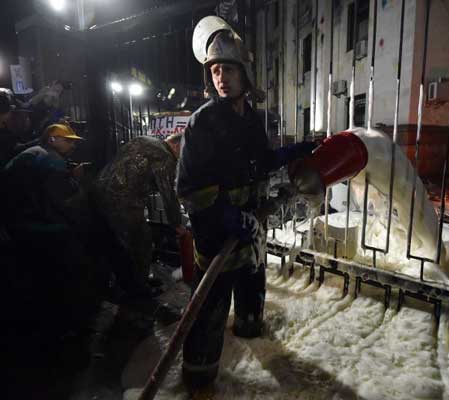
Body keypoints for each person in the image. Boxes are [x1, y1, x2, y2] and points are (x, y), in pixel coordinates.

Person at [176, 16, 316, 393]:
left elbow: (261, 162)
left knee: (252, 289)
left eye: (229, 70)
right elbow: (188, 187)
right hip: (218, 234)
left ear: (245, 75)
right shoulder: (201, 124)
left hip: (252, 230)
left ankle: (251, 328)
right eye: (216, 71)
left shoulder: (252, 121)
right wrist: (225, 215)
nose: (222, 77)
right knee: (209, 306)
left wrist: (295, 151)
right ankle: (199, 376)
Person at [2, 123, 100, 330]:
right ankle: (68, 320)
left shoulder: (35, 153)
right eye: (68, 141)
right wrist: (76, 183)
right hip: (31, 224)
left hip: (15, 220)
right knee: (70, 262)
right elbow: (63, 201)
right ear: (52, 139)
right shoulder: (51, 160)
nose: (72, 146)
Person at [94, 133, 187, 297]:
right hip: (123, 198)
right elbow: (168, 193)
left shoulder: (145, 140)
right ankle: (138, 289)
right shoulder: (164, 155)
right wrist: (177, 223)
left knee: (121, 242)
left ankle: (132, 281)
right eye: (184, 150)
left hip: (100, 191)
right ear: (177, 145)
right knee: (141, 242)